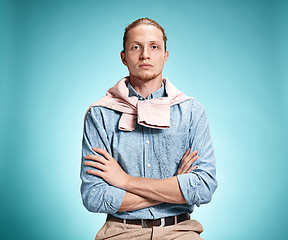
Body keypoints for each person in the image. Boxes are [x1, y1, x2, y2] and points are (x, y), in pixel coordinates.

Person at [80, 18, 217, 240]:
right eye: (136, 47)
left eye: (154, 47)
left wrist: (125, 181)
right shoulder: (100, 114)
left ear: (165, 55)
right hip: (120, 232)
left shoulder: (192, 111)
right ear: (124, 57)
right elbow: (94, 196)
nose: (145, 54)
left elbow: (203, 187)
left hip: (180, 232)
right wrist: (174, 188)